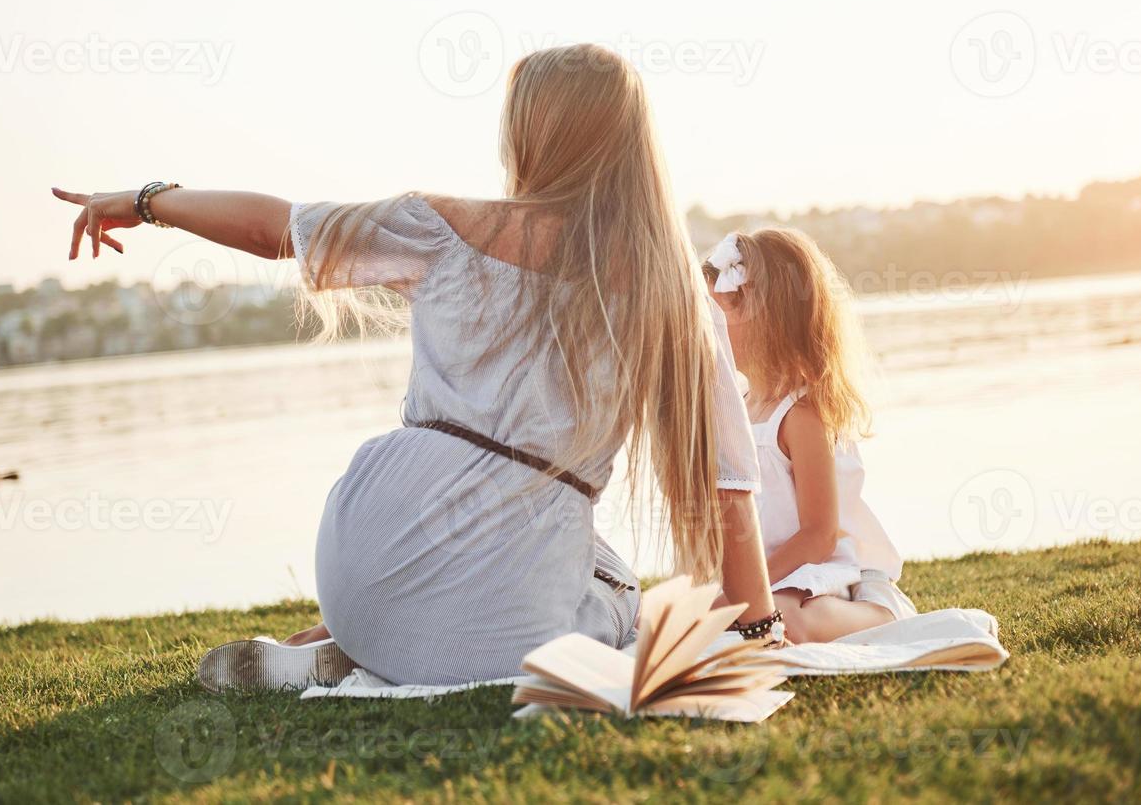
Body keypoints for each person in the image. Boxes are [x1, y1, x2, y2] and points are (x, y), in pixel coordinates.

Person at [51, 43, 778, 687]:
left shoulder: (440, 226)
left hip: (361, 547)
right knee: (621, 588)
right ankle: (395, 647)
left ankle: (358, 644)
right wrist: (755, 634)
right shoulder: (672, 293)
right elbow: (726, 488)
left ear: (526, 133)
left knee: (553, 550)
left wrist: (147, 201)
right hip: (506, 606)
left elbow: (273, 227)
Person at [703, 228, 917, 644]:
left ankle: (880, 612)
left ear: (767, 320)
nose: (709, 330)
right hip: (770, 569)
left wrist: (745, 588)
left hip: (822, 568)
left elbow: (818, 537)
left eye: (720, 314)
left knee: (781, 618)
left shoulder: (801, 415)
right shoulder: (741, 405)